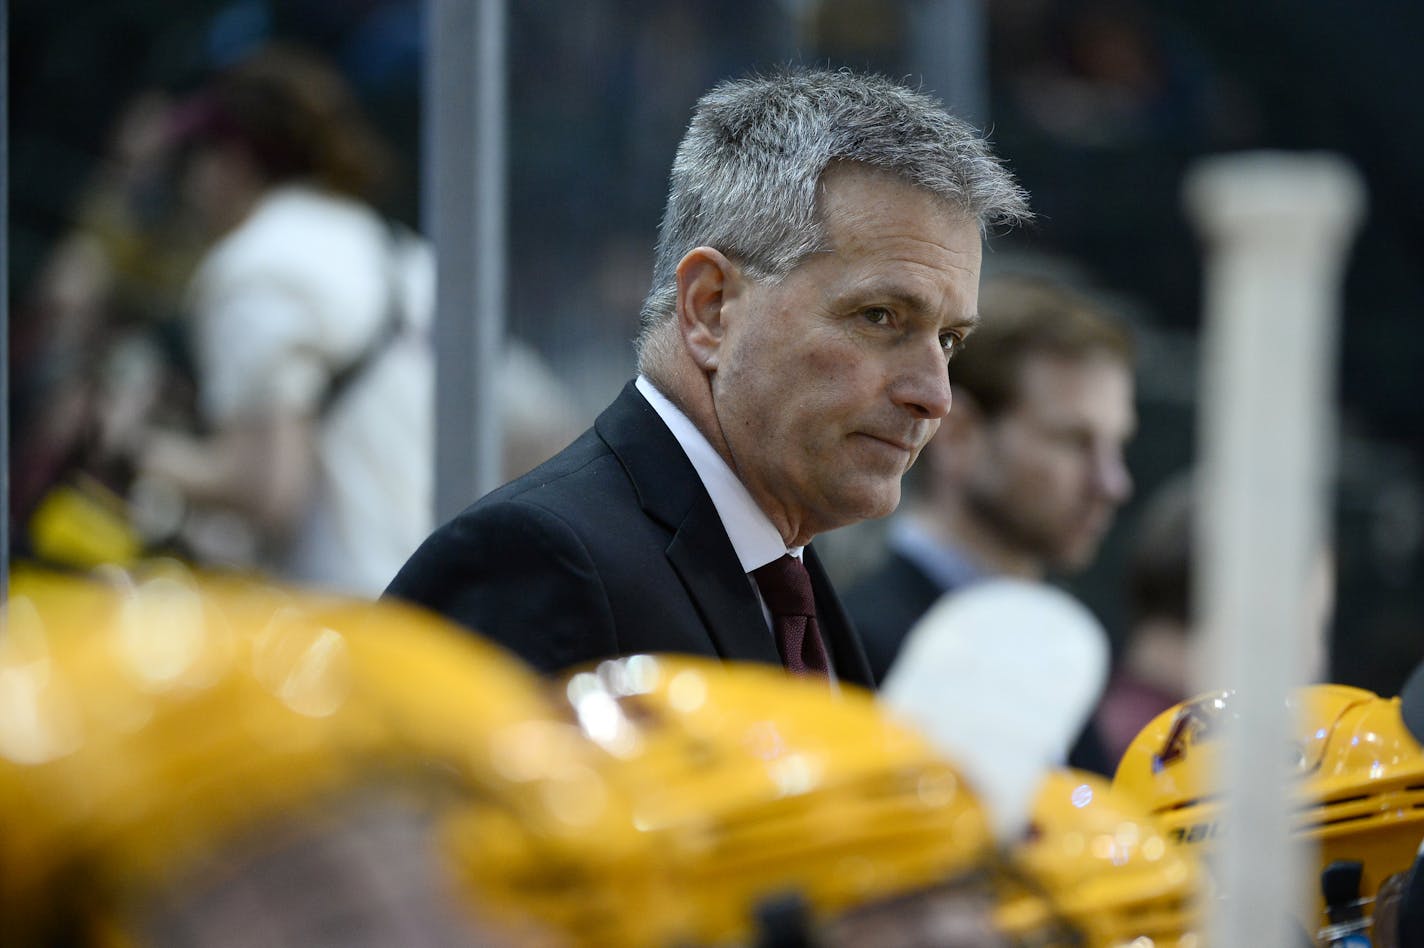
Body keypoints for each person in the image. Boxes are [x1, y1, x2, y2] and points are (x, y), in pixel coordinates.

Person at [386, 67, 1031, 683]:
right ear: (710, 307)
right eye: (881, 316)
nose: (934, 396)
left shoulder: (791, 582)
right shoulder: (534, 562)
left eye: (948, 340)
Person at [103, 43, 434, 597]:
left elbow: (267, 487)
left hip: (338, 624)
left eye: (198, 160)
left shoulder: (253, 266)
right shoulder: (401, 252)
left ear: (231, 161)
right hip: (442, 611)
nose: (191, 186)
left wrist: (132, 450)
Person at [841, 274, 1137, 688]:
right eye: (1073, 441)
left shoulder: (1055, 657)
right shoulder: (857, 648)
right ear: (958, 435)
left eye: (1116, 445)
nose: (1112, 483)